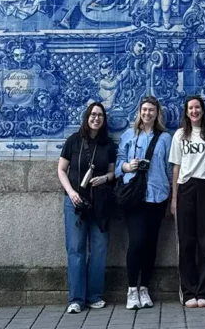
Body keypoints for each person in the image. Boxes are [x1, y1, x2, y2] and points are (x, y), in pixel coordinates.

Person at [57, 103, 117, 314]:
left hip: (100, 203)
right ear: (87, 117)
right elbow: (61, 170)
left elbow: (112, 173)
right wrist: (71, 192)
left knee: (99, 250)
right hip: (75, 202)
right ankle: (76, 298)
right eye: (93, 114)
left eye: (100, 115)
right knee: (76, 249)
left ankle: (94, 295)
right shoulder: (74, 141)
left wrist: (105, 178)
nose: (96, 118)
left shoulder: (108, 144)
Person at [117, 96, 173, 311]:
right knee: (137, 242)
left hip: (157, 196)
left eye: (151, 110)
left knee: (151, 244)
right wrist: (127, 167)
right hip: (134, 196)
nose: (147, 113)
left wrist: (171, 196)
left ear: (157, 113)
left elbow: (169, 167)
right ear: (139, 111)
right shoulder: (129, 135)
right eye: (144, 109)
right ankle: (132, 289)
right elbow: (118, 162)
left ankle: (145, 288)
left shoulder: (165, 138)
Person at [170, 96, 205, 309]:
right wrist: (174, 198)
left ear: (203, 110)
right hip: (185, 189)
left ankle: (203, 290)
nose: (194, 111)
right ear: (186, 112)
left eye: (197, 107)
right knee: (187, 241)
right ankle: (189, 290)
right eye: (190, 108)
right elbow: (176, 168)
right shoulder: (180, 135)